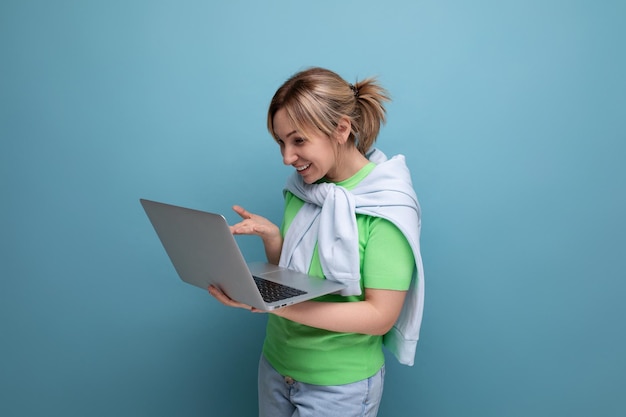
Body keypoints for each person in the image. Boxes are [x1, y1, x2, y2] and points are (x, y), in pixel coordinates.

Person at [208, 67, 424, 417]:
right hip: (276, 366)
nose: (287, 158)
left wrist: (272, 304)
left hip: (339, 385)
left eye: (298, 140)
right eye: (281, 142)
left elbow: (380, 316)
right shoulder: (303, 190)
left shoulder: (386, 206)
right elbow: (295, 277)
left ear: (341, 128)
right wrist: (274, 238)